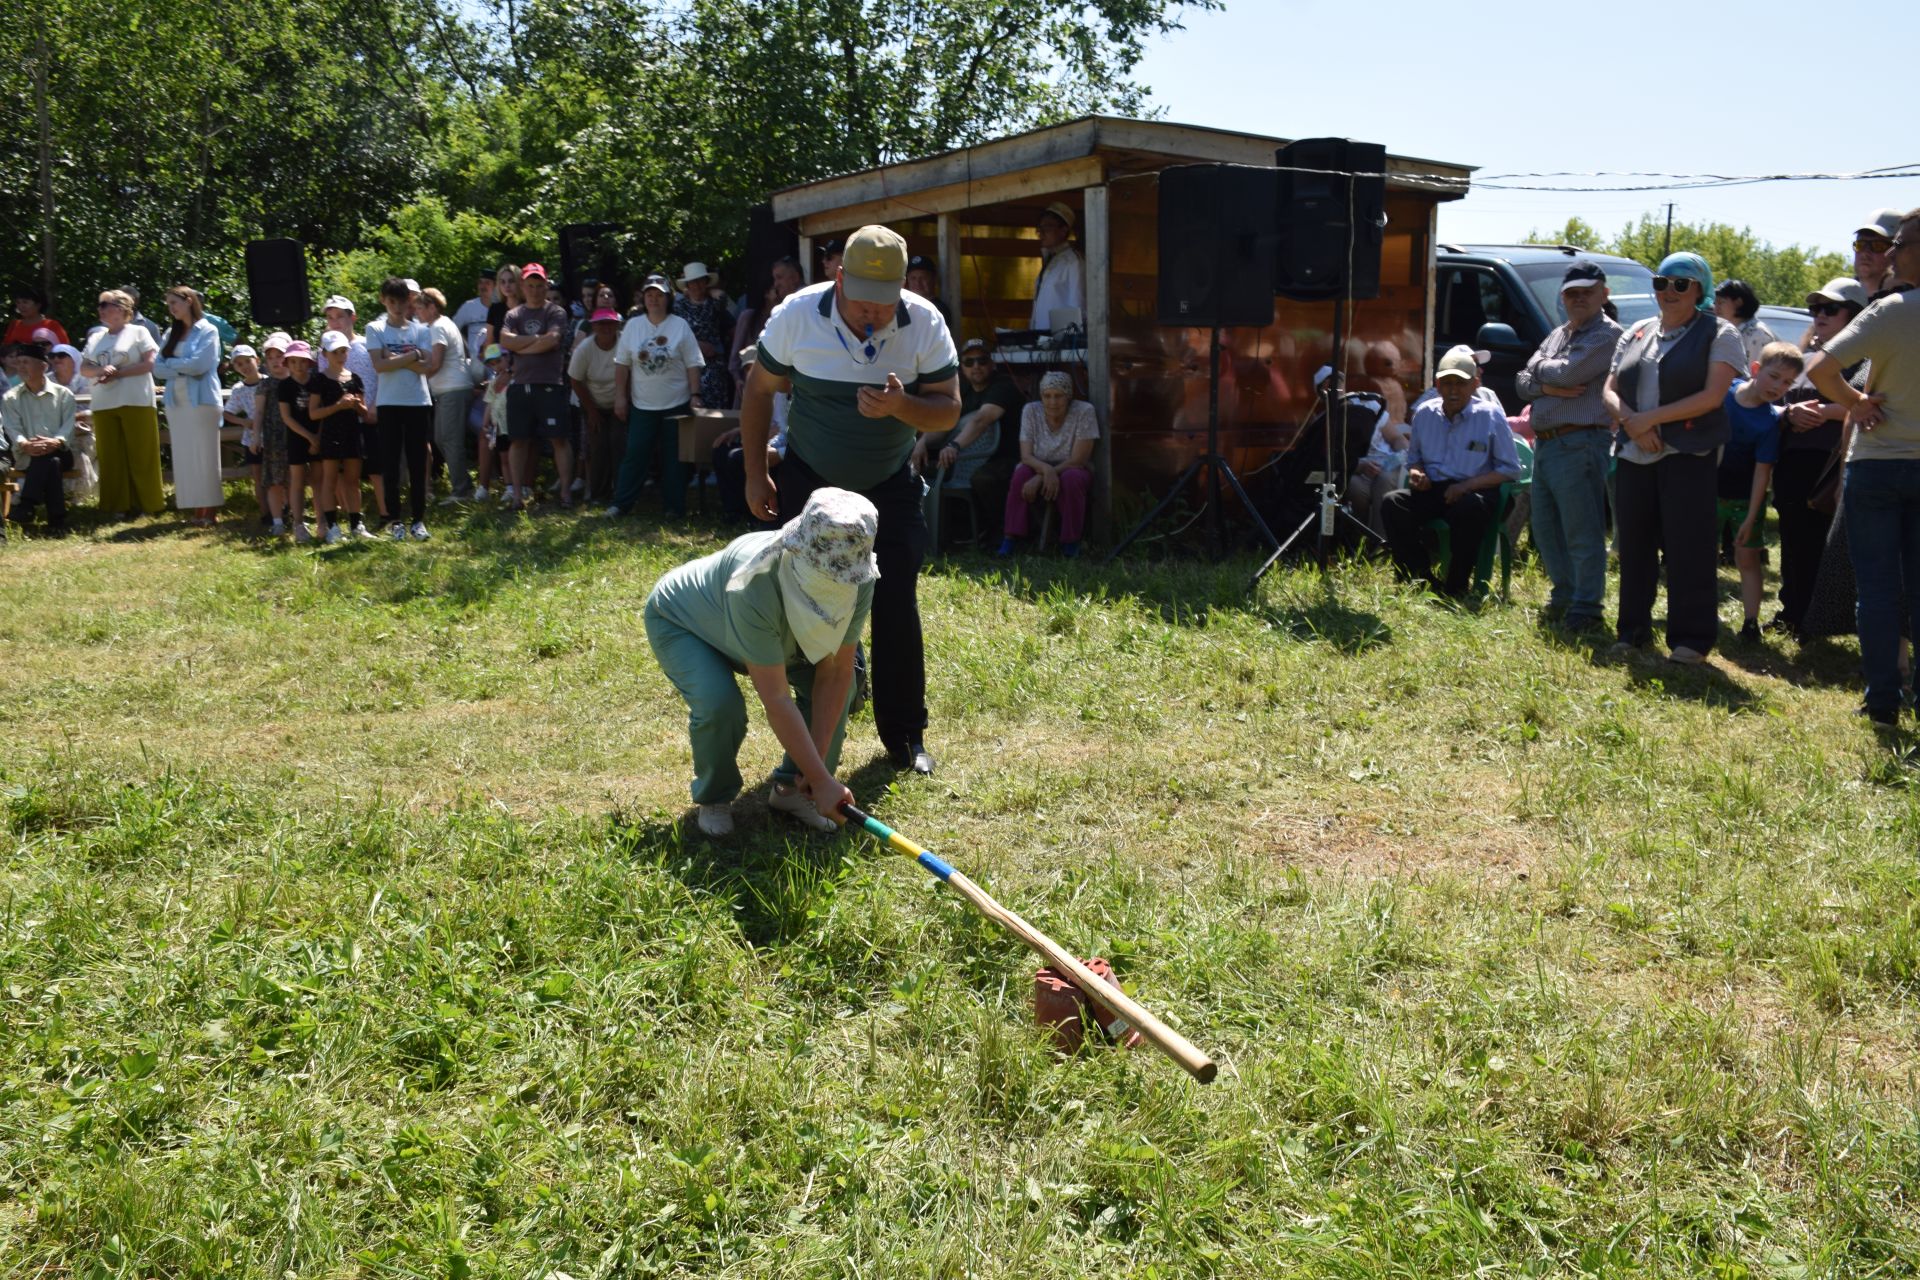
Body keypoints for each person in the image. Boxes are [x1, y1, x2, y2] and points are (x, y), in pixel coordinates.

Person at [741, 223, 961, 776]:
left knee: (894, 604)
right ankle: (810, 738)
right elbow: (758, 391)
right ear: (838, 278)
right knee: (805, 603)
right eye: (862, 301)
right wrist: (753, 474)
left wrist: (901, 407)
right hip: (810, 483)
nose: (872, 314)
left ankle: (906, 737)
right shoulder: (796, 315)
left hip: (890, 484)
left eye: (884, 305)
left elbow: (949, 409)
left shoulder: (925, 321)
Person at [644, 488, 875, 837]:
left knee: (840, 691)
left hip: (773, 640)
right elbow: (776, 698)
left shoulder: (862, 579)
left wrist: (814, 776)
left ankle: (790, 794)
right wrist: (820, 777)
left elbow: (837, 671)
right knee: (720, 704)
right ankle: (715, 796)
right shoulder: (752, 580)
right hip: (688, 626)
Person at [1800, 210, 1920, 724]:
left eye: (1902, 244)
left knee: (1875, 590)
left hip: (1875, 467)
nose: (1891, 253)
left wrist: (1855, 402)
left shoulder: (1890, 310)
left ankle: (1882, 702)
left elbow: (1818, 367)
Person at [1603, 251, 1745, 664]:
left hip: (1688, 453)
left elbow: (1712, 396)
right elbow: (1609, 389)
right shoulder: (1638, 330)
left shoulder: (1720, 332)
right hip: (1634, 452)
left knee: (1689, 548)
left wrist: (1650, 422)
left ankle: (1691, 641)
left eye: (1680, 284)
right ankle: (1632, 632)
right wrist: (1634, 423)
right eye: (1661, 283)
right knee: (1634, 546)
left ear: (1700, 289)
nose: (1669, 292)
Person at [1516, 260, 1623, 631]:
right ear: (1562, 298)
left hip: (1580, 441)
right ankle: (1565, 594)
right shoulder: (1559, 333)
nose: (1578, 298)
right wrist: (1547, 384)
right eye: (1571, 293)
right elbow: (1520, 380)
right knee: (1546, 529)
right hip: (1547, 443)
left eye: (1587, 292)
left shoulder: (1607, 335)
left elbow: (1569, 374)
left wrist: (1542, 372)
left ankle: (1587, 607)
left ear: (1603, 295)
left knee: (1581, 529)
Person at [1380, 347, 1522, 598]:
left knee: (1469, 508)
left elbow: (1509, 470)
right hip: (1435, 488)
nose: (1453, 390)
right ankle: (1420, 578)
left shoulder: (1490, 416)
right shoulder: (1425, 413)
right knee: (1393, 504)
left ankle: (1456, 585)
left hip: (1476, 489)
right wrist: (1417, 473)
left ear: (1475, 384)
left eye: (1461, 383)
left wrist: (1467, 486)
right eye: (1447, 383)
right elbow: (1414, 459)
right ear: (1437, 384)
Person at [1778, 278, 1872, 637]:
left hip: (1832, 464)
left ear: (1855, 315)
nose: (1820, 315)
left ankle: (1816, 621)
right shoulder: (1803, 357)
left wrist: (1826, 411)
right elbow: (1773, 399)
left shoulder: (1865, 359)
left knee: (1823, 545)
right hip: (1791, 461)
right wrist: (1789, 413)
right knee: (1792, 539)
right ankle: (1792, 612)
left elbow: (1868, 403)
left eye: (1830, 308)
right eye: (1815, 308)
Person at [1721, 343, 1803, 642]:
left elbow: (1762, 471)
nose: (1779, 386)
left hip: (1744, 499)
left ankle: (1751, 623)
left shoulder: (1769, 421)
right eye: (1774, 376)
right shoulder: (1724, 391)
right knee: (1699, 556)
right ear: (1755, 370)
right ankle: (1696, 612)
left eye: (1787, 383)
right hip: (1707, 493)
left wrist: (1752, 516)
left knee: (1747, 559)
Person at [609, 275, 705, 518]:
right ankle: (621, 504)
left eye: (659, 294)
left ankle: (674, 507)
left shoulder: (679, 325)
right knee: (635, 453)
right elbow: (622, 364)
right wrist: (620, 397)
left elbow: (693, 362)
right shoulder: (632, 325)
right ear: (643, 297)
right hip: (643, 404)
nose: (654, 299)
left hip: (677, 401)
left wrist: (695, 394)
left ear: (668, 298)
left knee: (675, 459)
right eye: (649, 294)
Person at [913, 337, 1022, 548]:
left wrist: (955, 446)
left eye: (982, 360)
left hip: (1006, 458)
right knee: (922, 469)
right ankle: (938, 536)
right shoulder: (963, 390)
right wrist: (923, 441)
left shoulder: (1003, 385)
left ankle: (999, 534)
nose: (976, 367)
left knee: (984, 479)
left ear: (992, 363)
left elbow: (983, 419)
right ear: (961, 367)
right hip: (967, 459)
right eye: (969, 362)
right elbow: (944, 424)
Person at [79, 290, 163, 519]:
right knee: (111, 456)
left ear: (122, 307)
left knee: (141, 454)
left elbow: (150, 364)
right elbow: (84, 368)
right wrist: (99, 370)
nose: (101, 309)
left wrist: (119, 373)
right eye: (100, 305)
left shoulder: (138, 331)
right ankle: (118, 506)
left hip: (136, 400)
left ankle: (148, 505)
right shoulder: (97, 337)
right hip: (104, 403)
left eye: (106, 304)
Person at [364, 277, 437, 539]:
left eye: (401, 301)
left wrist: (393, 357)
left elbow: (427, 366)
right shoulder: (375, 328)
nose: (396, 307)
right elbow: (379, 365)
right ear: (384, 300)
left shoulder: (421, 331)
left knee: (418, 464)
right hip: (389, 403)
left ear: (409, 301)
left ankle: (418, 521)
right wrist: (413, 355)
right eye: (391, 301)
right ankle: (396, 522)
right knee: (391, 464)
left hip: (418, 402)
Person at [499, 262, 575, 511]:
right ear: (524, 285)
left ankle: (565, 493)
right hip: (520, 385)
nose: (534, 290)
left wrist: (521, 347)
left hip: (550, 384)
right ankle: (518, 496)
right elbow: (504, 340)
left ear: (546, 284)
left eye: (539, 285)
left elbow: (553, 340)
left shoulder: (556, 312)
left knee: (559, 439)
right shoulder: (514, 314)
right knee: (518, 440)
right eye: (530, 285)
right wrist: (535, 342)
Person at [997, 371, 1099, 557]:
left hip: (1073, 467)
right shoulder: (1031, 411)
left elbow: (1079, 459)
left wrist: (1044, 475)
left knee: (1072, 479)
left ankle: (1071, 541)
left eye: (1058, 396)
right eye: (1047, 396)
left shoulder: (1084, 411)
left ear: (1068, 397)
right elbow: (1026, 456)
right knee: (1021, 475)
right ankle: (1011, 538)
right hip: (1037, 464)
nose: (1052, 402)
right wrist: (1045, 471)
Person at [152, 286, 224, 528]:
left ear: (189, 301)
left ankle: (210, 511)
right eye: (169, 304)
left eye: (175, 302)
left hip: (202, 400)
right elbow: (156, 368)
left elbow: (201, 365)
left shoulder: (208, 330)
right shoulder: (170, 334)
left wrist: (173, 365)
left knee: (205, 456)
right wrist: (181, 365)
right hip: (176, 401)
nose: (171, 308)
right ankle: (196, 511)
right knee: (185, 457)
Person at [2, 342, 78, 536]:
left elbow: (68, 427)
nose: (21, 367)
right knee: (49, 462)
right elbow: (12, 427)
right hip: (26, 454)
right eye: (18, 363)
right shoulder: (11, 397)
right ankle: (57, 521)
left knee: (52, 458)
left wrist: (55, 442)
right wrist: (25, 444)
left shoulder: (64, 395)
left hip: (61, 451)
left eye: (26, 362)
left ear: (43, 366)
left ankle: (27, 505)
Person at [419, 288, 474, 504]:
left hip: (453, 389)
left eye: (420, 307)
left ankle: (462, 491)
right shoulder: (442, 324)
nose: (417, 312)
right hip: (447, 391)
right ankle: (464, 485)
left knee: (450, 439)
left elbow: (435, 363)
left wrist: (414, 375)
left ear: (432, 307)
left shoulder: (438, 327)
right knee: (442, 438)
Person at [569, 307, 626, 503]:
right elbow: (575, 380)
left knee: (619, 444)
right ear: (593, 326)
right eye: (601, 323)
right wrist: (592, 411)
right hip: (593, 403)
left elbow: (633, 373)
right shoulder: (584, 349)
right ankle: (599, 494)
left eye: (610, 323)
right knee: (598, 447)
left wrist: (624, 401)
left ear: (617, 325)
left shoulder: (625, 343)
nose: (606, 327)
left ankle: (622, 492)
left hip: (621, 400)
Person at [729, 257, 803, 405]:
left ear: (795, 277)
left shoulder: (798, 305)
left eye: (779, 278)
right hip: (758, 389)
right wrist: (739, 379)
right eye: (774, 281)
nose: (776, 285)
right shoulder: (751, 317)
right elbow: (735, 360)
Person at [674, 262, 735, 410]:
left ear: (707, 283)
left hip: (714, 368)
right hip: (687, 368)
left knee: (715, 413)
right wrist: (697, 345)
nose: (697, 285)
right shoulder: (678, 308)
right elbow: (672, 335)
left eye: (701, 281)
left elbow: (733, 329)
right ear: (687, 285)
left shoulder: (716, 304)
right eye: (692, 282)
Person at [223, 344, 266, 526]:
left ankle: (283, 511)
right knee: (258, 477)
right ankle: (266, 514)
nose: (245, 366)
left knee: (279, 476)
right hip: (252, 438)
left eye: (248, 361)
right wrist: (243, 422)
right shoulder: (239, 389)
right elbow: (227, 412)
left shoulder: (269, 382)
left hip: (272, 435)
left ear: (257, 360)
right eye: (240, 364)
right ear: (236, 368)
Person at [256, 332, 293, 536]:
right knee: (274, 480)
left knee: (294, 479)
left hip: (294, 436)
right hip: (272, 438)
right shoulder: (266, 384)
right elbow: (259, 412)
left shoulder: (297, 382)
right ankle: (277, 520)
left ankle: (297, 518)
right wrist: (255, 436)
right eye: (270, 358)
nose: (275, 362)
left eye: (279, 356)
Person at [1029, 202, 1085, 330]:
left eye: (1047, 227)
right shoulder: (1051, 261)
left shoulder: (1074, 262)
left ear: (1063, 230)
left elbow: (1078, 307)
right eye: (1040, 228)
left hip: (1059, 344)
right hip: (1041, 340)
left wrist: (1064, 342)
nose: (1041, 233)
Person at [1713, 279, 1776, 369]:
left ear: (1738, 303)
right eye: (1715, 303)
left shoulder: (1758, 334)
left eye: (1721, 302)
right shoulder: (1725, 330)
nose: (1716, 308)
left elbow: (1753, 376)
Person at [1854, 209, 1902, 296]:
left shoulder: (1912, 302)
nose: (1865, 254)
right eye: (1860, 245)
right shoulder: (1836, 301)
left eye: (1878, 246)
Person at [905, 255, 949, 325]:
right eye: (913, 278)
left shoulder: (938, 310)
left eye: (923, 278)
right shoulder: (904, 306)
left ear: (933, 279)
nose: (917, 282)